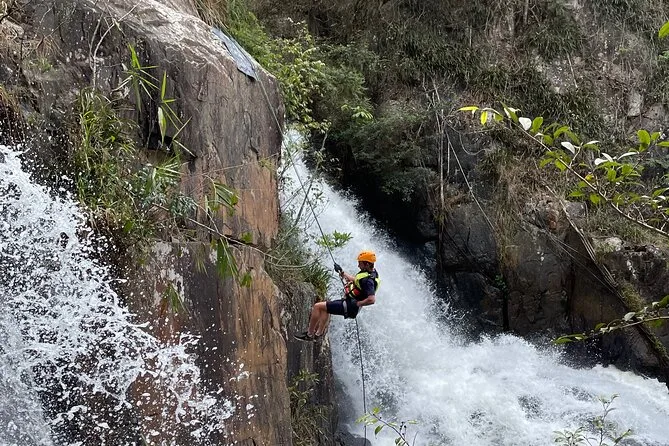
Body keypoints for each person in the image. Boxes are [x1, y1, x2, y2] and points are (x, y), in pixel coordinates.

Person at [294, 250, 380, 341]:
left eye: (360, 263)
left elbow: (371, 299)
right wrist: (342, 273)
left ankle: (309, 335)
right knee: (325, 308)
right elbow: (356, 280)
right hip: (350, 303)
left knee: (317, 306)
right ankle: (318, 334)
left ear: (367, 264)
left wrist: (358, 303)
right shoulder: (371, 272)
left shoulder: (368, 281)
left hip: (350, 306)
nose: (358, 265)